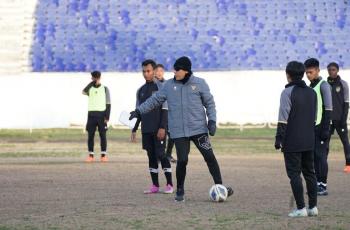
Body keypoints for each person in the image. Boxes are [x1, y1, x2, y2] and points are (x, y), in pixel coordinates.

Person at [129, 56, 233, 202]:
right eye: (174, 68)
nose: (174, 71)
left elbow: (210, 104)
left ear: (186, 71)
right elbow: (154, 100)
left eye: (178, 69)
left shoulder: (200, 83)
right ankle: (180, 190)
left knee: (209, 157)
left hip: (199, 130)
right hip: (178, 132)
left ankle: (220, 186)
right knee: (182, 160)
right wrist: (139, 111)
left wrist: (212, 121)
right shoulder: (169, 86)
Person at [275, 61, 318, 217]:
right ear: (302, 74)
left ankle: (301, 208)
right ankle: (313, 207)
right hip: (309, 140)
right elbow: (313, 119)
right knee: (310, 173)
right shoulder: (312, 93)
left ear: (288, 75)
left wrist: (278, 140)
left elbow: (283, 119)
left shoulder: (287, 93)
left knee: (294, 174)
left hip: (292, 141)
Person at [131, 59, 173, 194]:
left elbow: (165, 109)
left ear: (154, 71)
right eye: (143, 71)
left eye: (148, 71)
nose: (145, 74)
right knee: (151, 156)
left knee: (161, 154)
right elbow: (139, 111)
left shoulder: (162, 87)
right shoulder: (140, 90)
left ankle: (170, 184)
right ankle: (155, 185)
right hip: (146, 129)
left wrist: (163, 127)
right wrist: (134, 128)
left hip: (159, 128)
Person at [304, 58, 333, 195]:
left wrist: (325, 129)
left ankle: (323, 185)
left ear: (317, 71)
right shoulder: (310, 87)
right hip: (311, 128)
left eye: (310, 72)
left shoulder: (324, 85)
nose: (308, 75)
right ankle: (316, 184)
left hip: (321, 128)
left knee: (321, 157)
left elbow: (328, 109)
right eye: (306, 73)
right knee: (314, 157)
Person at [82, 71, 111, 162]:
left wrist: (107, 117)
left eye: (96, 78)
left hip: (102, 115)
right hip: (91, 115)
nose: (95, 79)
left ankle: (103, 155)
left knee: (103, 135)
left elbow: (108, 103)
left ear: (100, 78)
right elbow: (83, 92)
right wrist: (91, 83)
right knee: (90, 135)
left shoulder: (105, 89)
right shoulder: (89, 89)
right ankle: (91, 155)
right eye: (93, 78)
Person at [327, 62, 350, 173]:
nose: (331, 72)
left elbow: (346, 103)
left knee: (345, 142)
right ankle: (323, 163)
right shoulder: (325, 84)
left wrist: (343, 120)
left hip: (339, 120)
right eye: (329, 70)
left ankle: (348, 164)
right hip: (328, 120)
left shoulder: (343, 84)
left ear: (337, 70)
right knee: (325, 143)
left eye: (333, 69)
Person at [155, 63, 177, 164]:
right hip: (157, 113)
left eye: (161, 71)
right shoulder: (152, 84)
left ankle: (168, 154)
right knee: (159, 136)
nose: (159, 73)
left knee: (172, 135)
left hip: (169, 112)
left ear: (163, 72)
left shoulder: (168, 83)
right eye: (157, 71)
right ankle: (159, 156)